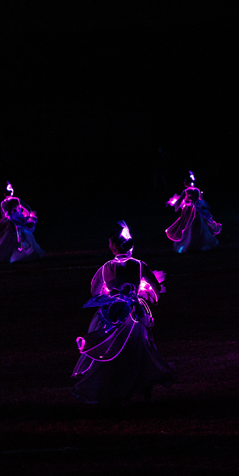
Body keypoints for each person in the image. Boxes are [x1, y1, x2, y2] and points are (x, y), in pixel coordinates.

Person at [71, 223, 175, 405]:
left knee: (110, 349)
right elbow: (157, 288)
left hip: (111, 314)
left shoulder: (105, 268)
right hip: (134, 314)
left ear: (113, 246)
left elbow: (95, 291)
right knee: (141, 350)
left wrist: (109, 293)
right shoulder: (139, 265)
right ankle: (143, 388)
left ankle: (112, 388)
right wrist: (145, 294)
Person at [0, 182, 44, 263]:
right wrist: (27, 216)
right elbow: (27, 208)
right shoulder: (14, 200)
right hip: (15, 222)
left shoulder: (4, 202)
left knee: (8, 240)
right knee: (18, 238)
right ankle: (18, 256)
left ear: (4, 194)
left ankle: (9, 256)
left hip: (12, 221)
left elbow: (5, 214)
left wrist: (21, 217)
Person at [165, 171, 222, 253]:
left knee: (187, 226)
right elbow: (200, 201)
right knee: (197, 226)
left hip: (188, 211)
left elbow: (179, 201)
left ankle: (188, 244)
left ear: (187, 183)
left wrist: (176, 206)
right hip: (196, 210)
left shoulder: (185, 191)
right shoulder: (197, 190)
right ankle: (199, 244)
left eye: (184, 181)